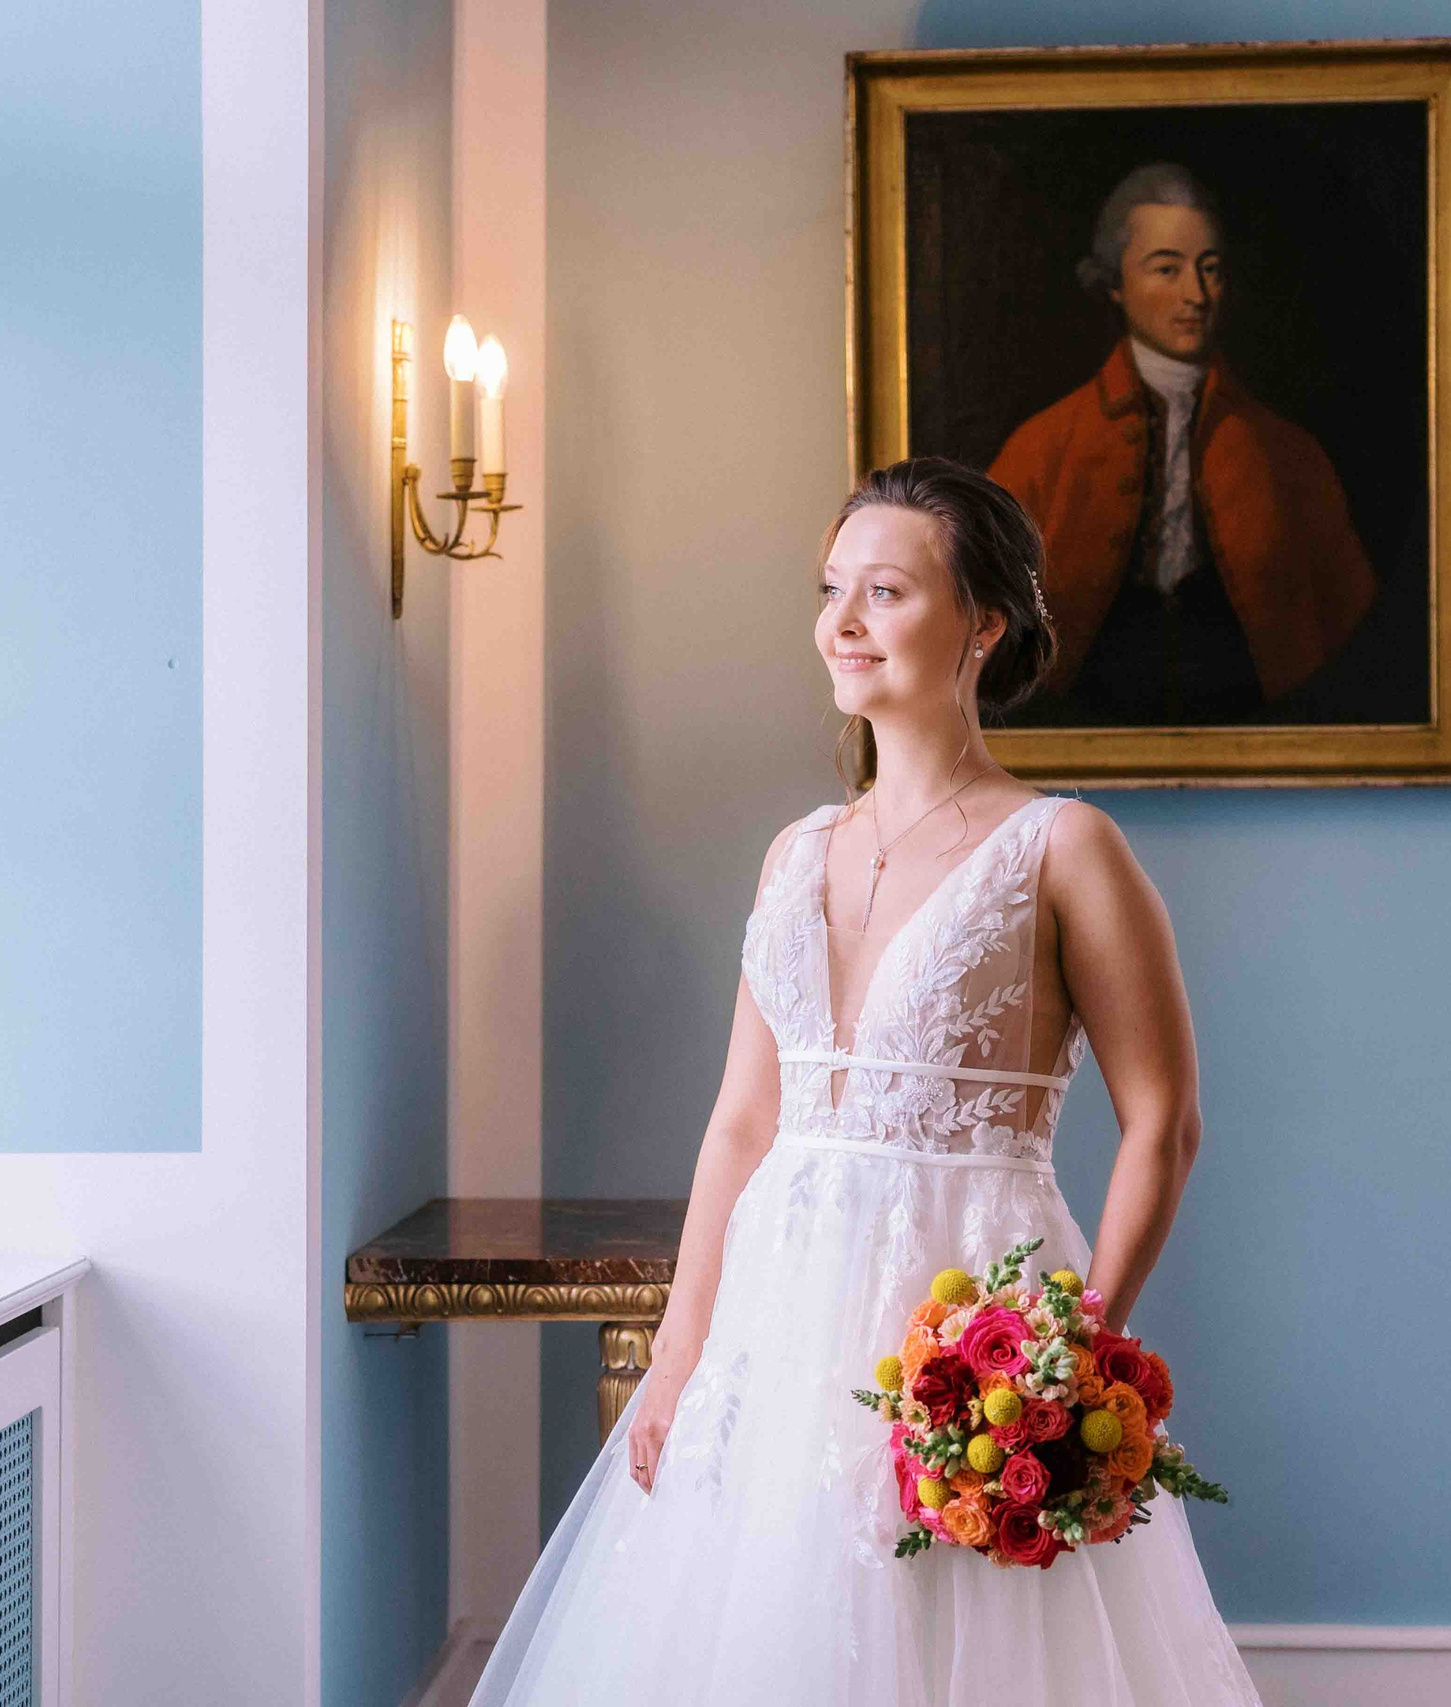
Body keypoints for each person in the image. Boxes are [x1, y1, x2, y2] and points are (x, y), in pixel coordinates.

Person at [469, 460, 1260, 1705]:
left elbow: (1163, 1124)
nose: (840, 622)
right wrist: (679, 1354)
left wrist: (1069, 1360)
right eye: (831, 588)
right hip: (775, 1326)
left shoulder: (1061, 845)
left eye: (883, 591)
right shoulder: (794, 853)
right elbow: (743, 1120)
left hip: (972, 1319)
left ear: (983, 625)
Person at [990, 162, 1373, 724]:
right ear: (1115, 283)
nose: (1195, 294)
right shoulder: (1043, 446)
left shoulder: (1289, 454)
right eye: (1166, 269)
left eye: (1210, 270)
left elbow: (1345, 619)